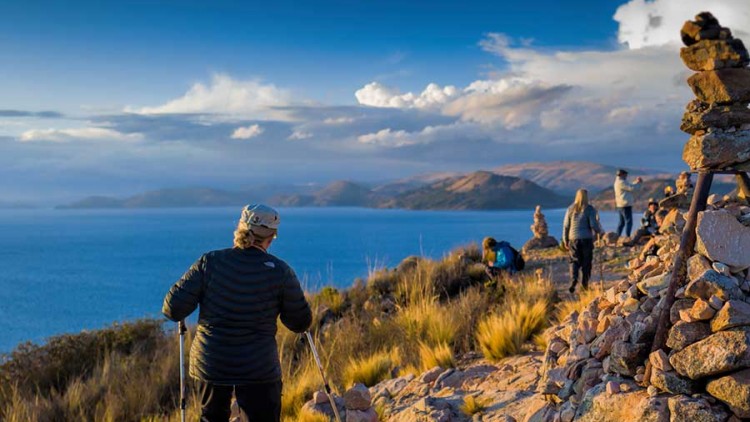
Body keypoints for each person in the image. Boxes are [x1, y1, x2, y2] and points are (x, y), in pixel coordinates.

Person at [162, 204, 312, 422]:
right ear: (271, 237)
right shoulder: (280, 272)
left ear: (240, 229)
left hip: (212, 363)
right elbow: (300, 323)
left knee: (211, 418)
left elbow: (172, 309)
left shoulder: (209, 262)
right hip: (258, 367)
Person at [562, 189, 604, 293]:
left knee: (574, 261)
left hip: (573, 239)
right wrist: (599, 231)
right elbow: (593, 225)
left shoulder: (570, 209)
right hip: (586, 239)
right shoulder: (589, 209)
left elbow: (566, 226)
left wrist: (565, 239)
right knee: (586, 262)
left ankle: (574, 280)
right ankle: (584, 284)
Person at [614, 169, 643, 238]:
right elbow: (631, 188)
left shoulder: (619, 182)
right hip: (625, 205)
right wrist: (639, 183)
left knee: (622, 222)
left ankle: (617, 236)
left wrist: (636, 182)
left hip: (620, 205)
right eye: (625, 175)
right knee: (629, 221)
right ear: (622, 175)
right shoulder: (621, 182)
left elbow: (629, 185)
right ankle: (627, 236)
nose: (626, 176)